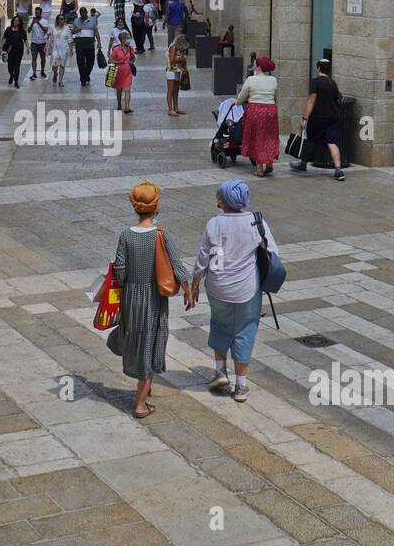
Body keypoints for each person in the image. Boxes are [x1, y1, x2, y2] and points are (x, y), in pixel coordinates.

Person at [106, 182, 192, 419]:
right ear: (156, 207)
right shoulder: (161, 235)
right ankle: (141, 404)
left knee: (138, 339)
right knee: (151, 342)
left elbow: (120, 272)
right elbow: (178, 267)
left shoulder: (125, 236)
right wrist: (188, 291)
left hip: (131, 298)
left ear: (135, 207)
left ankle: (145, 385)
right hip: (153, 299)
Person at [190, 179, 279, 403]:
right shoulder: (256, 222)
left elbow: (204, 256)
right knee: (245, 330)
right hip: (247, 288)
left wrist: (195, 282)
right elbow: (273, 252)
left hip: (218, 286)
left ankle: (220, 372)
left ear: (223, 200)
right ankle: (241, 385)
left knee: (220, 323)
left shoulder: (214, 223)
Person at [290, 58, 346, 181]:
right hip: (333, 117)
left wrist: (305, 118)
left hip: (318, 118)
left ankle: (303, 164)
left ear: (318, 68)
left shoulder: (315, 82)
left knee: (311, 141)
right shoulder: (333, 83)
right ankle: (338, 170)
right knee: (332, 142)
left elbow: (311, 101)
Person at [235, 57, 280, 178]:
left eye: (255, 64)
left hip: (256, 110)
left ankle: (260, 169)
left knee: (258, 137)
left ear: (259, 67)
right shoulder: (273, 80)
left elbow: (242, 96)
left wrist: (237, 102)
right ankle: (269, 163)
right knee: (270, 136)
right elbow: (274, 94)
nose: (253, 66)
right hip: (271, 110)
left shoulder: (251, 79)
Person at [72, 5, 101, 86]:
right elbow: (72, 32)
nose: (83, 14)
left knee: (91, 62)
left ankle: (86, 75)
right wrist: (76, 30)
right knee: (80, 63)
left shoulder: (93, 20)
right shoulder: (76, 21)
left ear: (87, 12)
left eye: (84, 12)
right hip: (80, 45)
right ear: (80, 13)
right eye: (82, 13)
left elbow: (96, 31)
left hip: (90, 45)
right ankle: (83, 79)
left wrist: (99, 42)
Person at [109, 30, 135, 114]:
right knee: (119, 90)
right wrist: (118, 62)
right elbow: (110, 60)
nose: (128, 40)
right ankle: (119, 103)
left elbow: (133, 57)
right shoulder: (116, 50)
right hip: (119, 73)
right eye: (126, 38)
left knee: (127, 89)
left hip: (128, 72)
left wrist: (132, 61)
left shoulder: (130, 49)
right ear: (122, 40)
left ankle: (127, 107)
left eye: (128, 38)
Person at [165, 33, 189, 117]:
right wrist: (181, 59)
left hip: (177, 70)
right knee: (170, 90)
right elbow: (172, 60)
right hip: (171, 70)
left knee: (176, 90)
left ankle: (176, 108)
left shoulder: (179, 48)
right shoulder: (173, 46)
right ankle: (170, 109)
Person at [1, 15, 28, 87]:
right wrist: (0, 48)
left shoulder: (21, 31)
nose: (16, 22)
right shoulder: (8, 30)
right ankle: (11, 75)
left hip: (19, 50)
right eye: (15, 20)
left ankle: (16, 81)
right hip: (10, 50)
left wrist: (28, 48)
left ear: (19, 23)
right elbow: (4, 39)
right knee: (10, 66)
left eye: (18, 21)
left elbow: (25, 40)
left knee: (17, 66)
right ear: (12, 21)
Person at [49, 13, 73, 88]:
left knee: (62, 65)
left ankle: (60, 81)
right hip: (55, 49)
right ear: (57, 20)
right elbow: (49, 38)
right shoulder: (53, 28)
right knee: (54, 64)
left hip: (64, 49)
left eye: (62, 19)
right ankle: (55, 74)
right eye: (59, 19)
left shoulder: (67, 28)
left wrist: (71, 50)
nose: (61, 20)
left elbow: (70, 39)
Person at [27, 6, 50, 79]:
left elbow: (46, 30)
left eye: (38, 12)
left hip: (42, 42)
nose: (37, 14)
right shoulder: (31, 21)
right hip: (34, 42)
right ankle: (34, 73)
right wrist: (32, 23)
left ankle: (42, 70)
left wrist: (39, 23)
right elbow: (28, 31)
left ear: (41, 13)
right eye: (36, 12)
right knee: (34, 58)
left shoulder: (44, 21)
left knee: (43, 58)